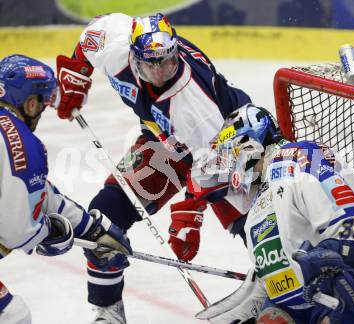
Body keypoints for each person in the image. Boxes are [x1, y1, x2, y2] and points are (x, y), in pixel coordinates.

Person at [55, 12, 252, 322]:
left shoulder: (191, 105)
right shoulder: (116, 48)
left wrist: (192, 212)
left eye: (169, 61)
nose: (162, 72)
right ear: (134, 56)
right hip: (167, 143)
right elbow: (90, 38)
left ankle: (282, 287)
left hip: (233, 146)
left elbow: (215, 165)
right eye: (152, 64)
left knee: (253, 223)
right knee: (104, 218)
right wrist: (77, 76)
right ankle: (108, 312)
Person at [192, 104, 354, 323]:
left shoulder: (297, 157)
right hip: (308, 308)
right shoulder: (256, 206)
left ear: (247, 145)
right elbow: (280, 275)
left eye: (230, 154)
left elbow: (352, 217)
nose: (229, 165)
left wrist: (335, 255)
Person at [0, 54, 132, 324]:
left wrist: (91, 228)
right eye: (42, 104)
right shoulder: (19, 141)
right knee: (13, 316)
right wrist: (52, 231)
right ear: (30, 102)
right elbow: (16, 231)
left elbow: (39, 194)